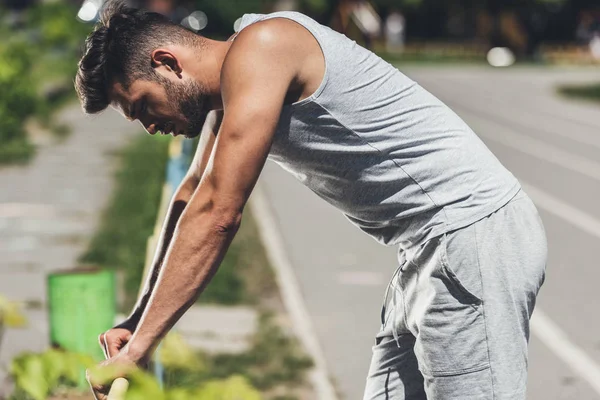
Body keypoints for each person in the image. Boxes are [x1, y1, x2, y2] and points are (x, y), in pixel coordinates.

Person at [76, 1, 547, 399]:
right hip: (424, 250)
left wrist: (140, 351)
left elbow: (218, 213)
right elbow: (189, 197)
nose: (150, 127)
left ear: (167, 62)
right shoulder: (232, 91)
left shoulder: (265, 47)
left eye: (140, 106)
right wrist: (139, 320)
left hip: (471, 234)